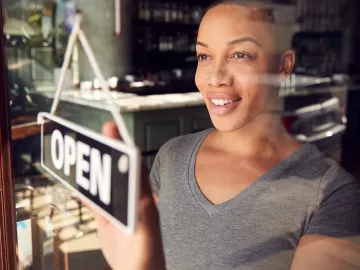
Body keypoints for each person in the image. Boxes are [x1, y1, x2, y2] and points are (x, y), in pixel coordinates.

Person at [95, 1, 360, 269]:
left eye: (240, 55)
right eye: (204, 57)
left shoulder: (332, 193)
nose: (215, 78)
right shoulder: (172, 155)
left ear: (282, 66)